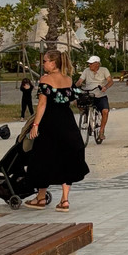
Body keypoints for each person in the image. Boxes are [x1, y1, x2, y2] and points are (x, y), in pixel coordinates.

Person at [24, 49, 89, 211]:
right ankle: (65, 200)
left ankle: (40, 197)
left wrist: (35, 125)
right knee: (67, 158)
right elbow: (73, 99)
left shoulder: (45, 79)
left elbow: (42, 105)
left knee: (42, 157)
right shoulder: (68, 79)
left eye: (45, 61)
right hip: (67, 122)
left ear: (53, 63)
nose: (43, 63)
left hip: (50, 123)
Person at [75, 55, 114, 143]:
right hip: (89, 93)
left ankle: (101, 131)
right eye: (89, 64)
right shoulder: (86, 71)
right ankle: (85, 116)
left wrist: (105, 87)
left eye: (91, 64)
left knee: (105, 111)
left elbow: (110, 81)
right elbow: (80, 81)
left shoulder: (104, 70)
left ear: (97, 64)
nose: (89, 65)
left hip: (100, 95)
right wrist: (73, 87)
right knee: (77, 101)